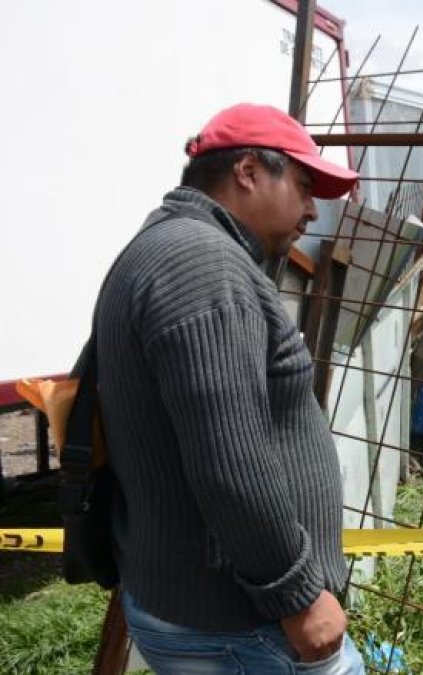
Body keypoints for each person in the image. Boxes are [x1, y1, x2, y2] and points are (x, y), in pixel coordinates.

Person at [93, 103, 365, 673]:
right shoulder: (205, 267)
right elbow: (230, 464)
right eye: (304, 185)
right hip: (241, 627)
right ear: (247, 171)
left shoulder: (164, 245)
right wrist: (298, 597)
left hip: (204, 611)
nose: (313, 210)